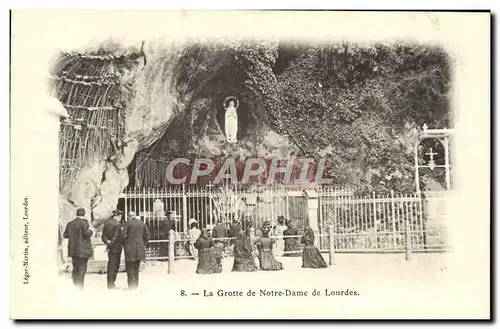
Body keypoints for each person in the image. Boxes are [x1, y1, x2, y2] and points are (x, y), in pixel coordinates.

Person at [63, 208, 94, 288]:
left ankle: (75, 286)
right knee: (82, 269)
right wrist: (91, 231)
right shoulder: (84, 223)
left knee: (75, 268)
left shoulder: (70, 223)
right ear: (84, 214)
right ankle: (80, 288)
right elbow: (86, 234)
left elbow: (65, 235)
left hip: (73, 250)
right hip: (83, 251)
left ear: (76, 214)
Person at [122, 211, 150, 289]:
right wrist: (143, 244)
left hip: (129, 249)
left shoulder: (127, 223)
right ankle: (136, 285)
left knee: (130, 268)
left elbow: (123, 236)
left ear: (128, 216)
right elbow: (147, 235)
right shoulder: (141, 223)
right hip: (139, 249)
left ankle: (131, 285)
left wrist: (125, 244)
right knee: (136, 268)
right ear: (135, 215)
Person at [101, 209, 123, 289]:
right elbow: (116, 237)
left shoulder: (107, 223)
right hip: (116, 248)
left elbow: (103, 236)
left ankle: (110, 284)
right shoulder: (117, 224)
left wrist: (107, 243)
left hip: (110, 248)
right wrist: (110, 244)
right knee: (115, 266)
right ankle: (111, 284)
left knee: (110, 265)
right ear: (119, 216)